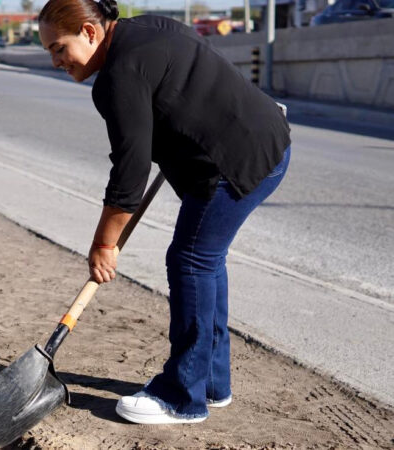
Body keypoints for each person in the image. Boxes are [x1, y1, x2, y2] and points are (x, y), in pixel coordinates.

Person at [38, 0, 291, 425]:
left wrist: (104, 244)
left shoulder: (117, 77)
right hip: (267, 140)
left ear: (88, 31)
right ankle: (212, 384)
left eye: (58, 48)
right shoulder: (148, 28)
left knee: (190, 260)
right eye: (49, 52)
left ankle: (181, 397)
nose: (56, 60)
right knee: (205, 261)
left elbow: (130, 174)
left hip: (231, 164)